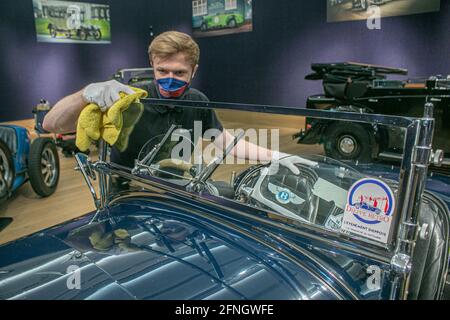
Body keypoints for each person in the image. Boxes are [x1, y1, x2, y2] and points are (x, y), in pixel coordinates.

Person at [43, 31, 315, 175]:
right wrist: (85, 94)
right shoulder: (127, 99)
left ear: (194, 71)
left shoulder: (197, 102)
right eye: (163, 71)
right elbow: (51, 124)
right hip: (125, 190)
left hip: (176, 189)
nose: (169, 79)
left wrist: (277, 156)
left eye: (180, 73)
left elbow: (226, 142)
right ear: (152, 65)